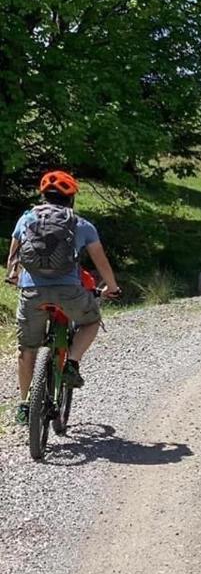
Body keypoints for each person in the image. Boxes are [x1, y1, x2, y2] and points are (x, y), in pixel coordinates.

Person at [5, 171, 120, 425]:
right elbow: (101, 263)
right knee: (91, 321)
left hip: (31, 292)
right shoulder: (81, 225)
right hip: (70, 292)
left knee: (26, 348)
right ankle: (72, 364)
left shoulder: (26, 219)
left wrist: (13, 278)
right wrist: (112, 287)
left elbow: (12, 260)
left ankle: (24, 405)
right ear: (71, 199)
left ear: (43, 196)